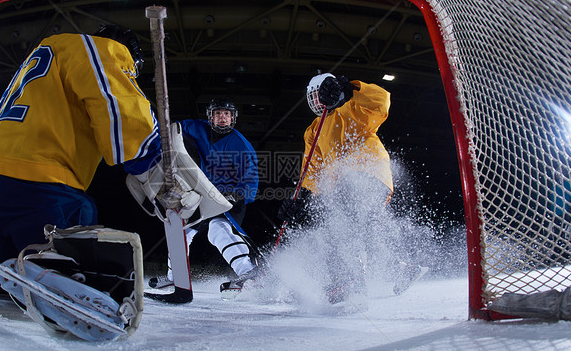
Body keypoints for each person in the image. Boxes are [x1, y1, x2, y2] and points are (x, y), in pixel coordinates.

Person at [0, 25, 164, 267]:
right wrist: (154, 165)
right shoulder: (101, 50)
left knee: (22, 279)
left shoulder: (49, 52)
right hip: (36, 187)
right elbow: (125, 116)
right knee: (74, 267)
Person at [277, 72, 426, 302]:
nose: (319, 101)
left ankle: (349, 282)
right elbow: (312, 170)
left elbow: (381, 101)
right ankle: (401, 268)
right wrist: (300, 198)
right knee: (361, 229)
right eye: (314, 97)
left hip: (368, 175)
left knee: (341, 220)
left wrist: (349, 90)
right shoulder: (312, 131)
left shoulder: (351, 109)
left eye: (323, 95)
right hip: (344, 188)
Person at [148, 98, 260, 289]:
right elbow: (175, 127)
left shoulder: (240, 143)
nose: (222, 118)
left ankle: (247, 272)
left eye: (227, 114)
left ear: (233, 118)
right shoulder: (198, 128)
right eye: (218, 114)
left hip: (229, 198)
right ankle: (174, 276)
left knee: (217, 229)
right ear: (210, 117)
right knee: (180, 230)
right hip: (203, 194)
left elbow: (251, 175)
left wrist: (238, 195)